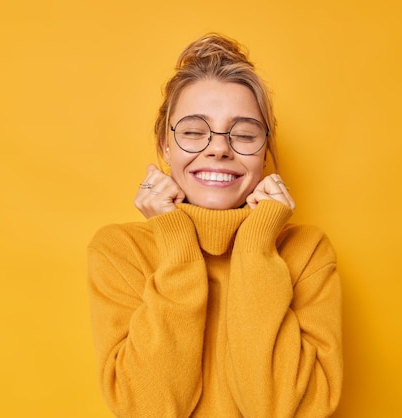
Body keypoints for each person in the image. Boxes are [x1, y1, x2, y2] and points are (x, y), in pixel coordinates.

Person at [87, 33, 342, 417]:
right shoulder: (120, 249)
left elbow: (283, 410)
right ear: (165, 144)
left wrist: (257, 245)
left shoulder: (307, 252)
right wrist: (176, 243)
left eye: (243, 134)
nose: (219, 148)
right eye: (193, 131)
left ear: (265, 151)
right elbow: (149, 410)